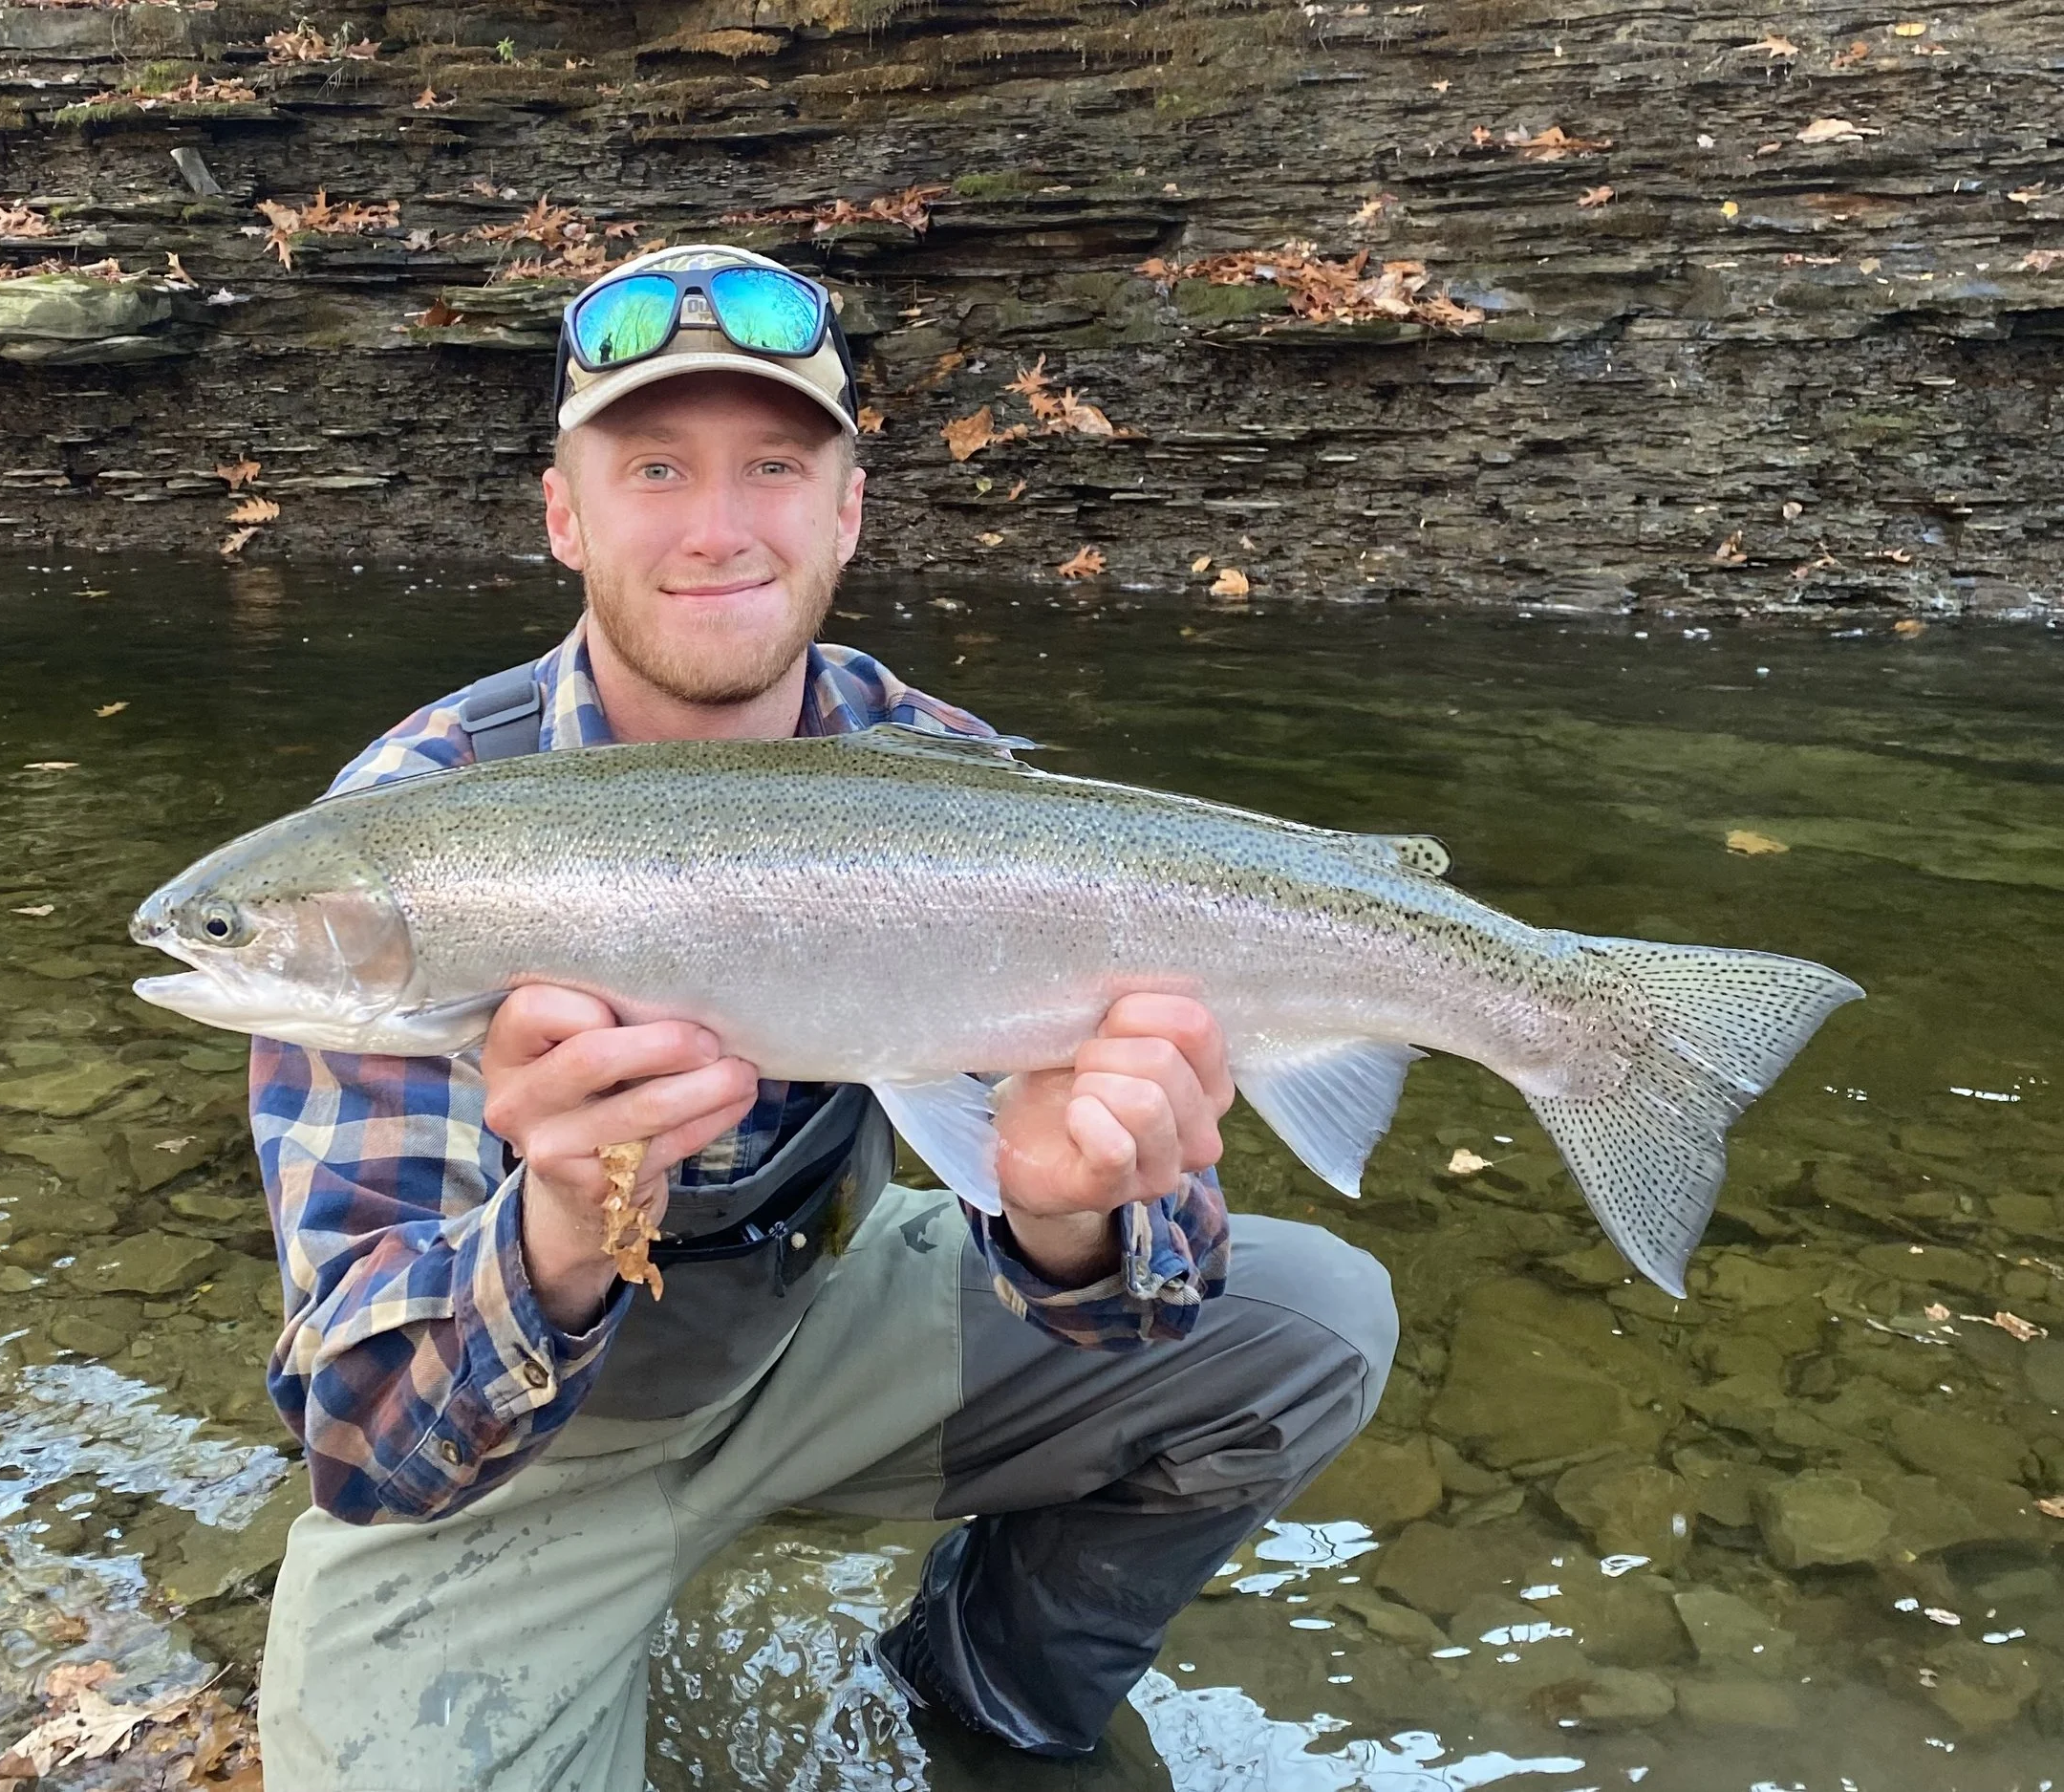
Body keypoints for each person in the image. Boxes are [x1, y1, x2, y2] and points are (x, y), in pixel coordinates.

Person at [247, 244, 1398, 1790]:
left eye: (775, 468)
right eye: (656, 467)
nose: (718, 528)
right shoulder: (404, 835)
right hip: (524, 1453)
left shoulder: (944, 780)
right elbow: (361, 1436)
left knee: (1315, 1325)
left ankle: (983, 1694)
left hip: (815, 1341)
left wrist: (1065, 1216)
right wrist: (563, 1229)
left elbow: (1154, 1305)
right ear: (564, 515)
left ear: (847, 512)